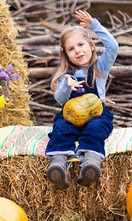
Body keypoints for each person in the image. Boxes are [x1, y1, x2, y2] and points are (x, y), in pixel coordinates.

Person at [45, 10, 118, 189]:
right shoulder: (67, 76)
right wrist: (66, 87)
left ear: (91, 45)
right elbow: (60, 100)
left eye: (80, 45)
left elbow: (113, 47)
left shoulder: (100, 67)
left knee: (96, 127)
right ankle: (58, 165)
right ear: (66, 54)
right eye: (71, 48)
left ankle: (90, 163)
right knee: (61, 128)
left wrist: (94, 25)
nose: (77, 50)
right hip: (70, 115)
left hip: (95, 114)